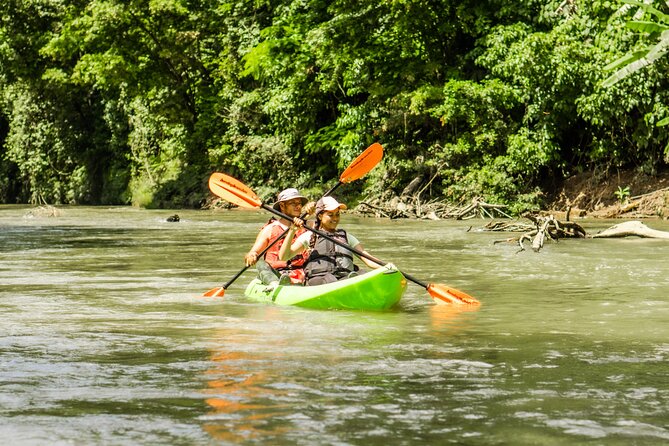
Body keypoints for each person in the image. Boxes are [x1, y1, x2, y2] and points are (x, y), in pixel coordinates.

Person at [278, 196, 381, 286]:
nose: (335, 218)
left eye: (337, 214)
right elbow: (284, 257)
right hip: (319, 281)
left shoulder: (347, 237)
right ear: (320, 216)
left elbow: (368, 259)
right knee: (330, 279)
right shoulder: (310, 236)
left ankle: (353, 282)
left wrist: (387, 267)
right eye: (330, 215)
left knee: (362, 273)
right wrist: (292, 230)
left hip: (345, 278)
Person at [244, 188, 314, 286]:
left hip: (303, 273)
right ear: (282, 205)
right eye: (293, 203)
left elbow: (326, 223)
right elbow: (253, 252)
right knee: (261, 264)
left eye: (299, 203)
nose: (298, 206)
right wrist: (252, 256)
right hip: (277, 275)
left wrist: (316, 208)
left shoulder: (310, 226)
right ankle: (275, 285)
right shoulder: (270, 229)